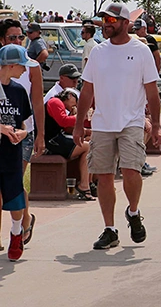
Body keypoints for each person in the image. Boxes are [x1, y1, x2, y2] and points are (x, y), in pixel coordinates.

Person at [72, 2, 161, 250]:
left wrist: (156, 125)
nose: (105, 24)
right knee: (103, 176)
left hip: (131, 121)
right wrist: (80, 124)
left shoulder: (141, 50)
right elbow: (87, 90)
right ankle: (109, 229)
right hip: (102, 123)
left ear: (126, 23)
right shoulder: (98, 52)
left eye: (111, 20)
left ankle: (133, 212)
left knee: (131, 171)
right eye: (104, 20)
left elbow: (152, 92)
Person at [0, 19, 44, 247]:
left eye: (21, 37)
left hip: (16, 143)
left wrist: (33, 134)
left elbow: (34, 107)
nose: (18, 40)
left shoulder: (23, 82)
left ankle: (20, 226)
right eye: (12, 37)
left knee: (14, 186)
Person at [0, 44, 35, 261]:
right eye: (22, 65)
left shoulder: (18, 90)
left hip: (11, 152)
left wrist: (22, 133)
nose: (24, 70)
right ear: (10, 65)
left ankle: (16, 233)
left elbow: (27, 123)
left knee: (15, 195)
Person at [44, 88, 94, 200]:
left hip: (56, 139)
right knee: (87, 147)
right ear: (70, 96)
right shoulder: (55, 102)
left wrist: (85, 130)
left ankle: (87, 183)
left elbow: (66, 127)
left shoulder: (58, 105)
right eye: (75, 101)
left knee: (87, 144)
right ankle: (84, 185)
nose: (75, 105)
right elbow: (63, 121)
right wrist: (80, 116)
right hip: (52, 141)